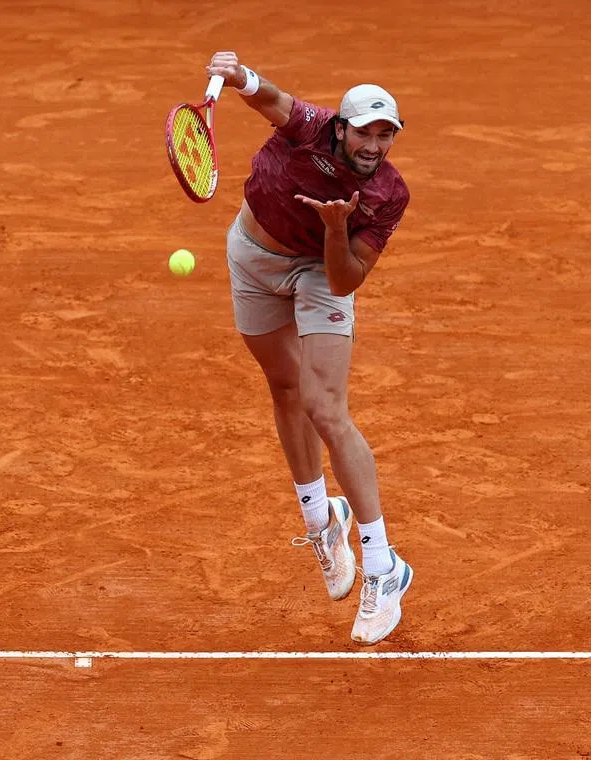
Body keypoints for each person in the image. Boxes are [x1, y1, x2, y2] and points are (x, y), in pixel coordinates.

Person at [204, 51, 413, 645]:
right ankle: (322, 520)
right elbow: (271, 100)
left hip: (323, 270)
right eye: (366, 131)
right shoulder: (310, 126)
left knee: (325, 407)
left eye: (386, 134)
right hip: (252, 257)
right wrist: (238, 74)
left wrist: (336, 227)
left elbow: (347, 280)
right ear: (341, 128)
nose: (375, 145)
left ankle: (383, 567)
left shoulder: (388, 196)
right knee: (284, 387)